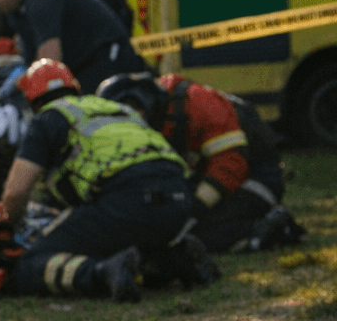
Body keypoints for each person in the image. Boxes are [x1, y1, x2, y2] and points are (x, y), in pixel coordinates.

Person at [0, 59, 206, 302]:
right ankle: (178, 258)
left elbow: (15, 193)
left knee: (32, 262)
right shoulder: (115, 108)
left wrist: (8, 226)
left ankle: (101, 273)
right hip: (177, 199)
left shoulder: (48, 118)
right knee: (122, 238)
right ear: (74, 87)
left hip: (128, 199)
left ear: (32, 100)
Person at [97, 72, 301, 254]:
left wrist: (194, 207)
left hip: (258, 177)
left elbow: (230, 165)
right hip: (212, 174)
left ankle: (272, 226)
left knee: (201, 235)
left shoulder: (198, 104)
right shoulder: (161, 114)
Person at [0, 0, 148, 95]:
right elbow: (33, 61)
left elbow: (49, 59)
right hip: (86, 64)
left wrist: (22, 83)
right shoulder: (17, 13)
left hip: (109, 60)